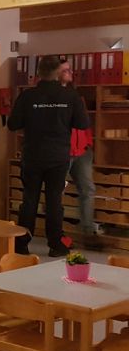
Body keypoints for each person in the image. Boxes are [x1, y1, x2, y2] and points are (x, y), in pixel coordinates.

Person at [8, 54, 90, 256]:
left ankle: (21, 244)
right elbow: (82, 124)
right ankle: (55, 244)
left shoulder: (27, 96)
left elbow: (13, 124)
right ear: (57, 72)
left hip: (32, 155)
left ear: (38, 72)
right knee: (54, 202)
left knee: (29, 200)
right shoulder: (70, 96)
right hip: (58, 157)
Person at [59, 59, 103, 249]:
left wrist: (88, 143)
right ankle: (58, 235)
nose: (70, 73)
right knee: (56, 192)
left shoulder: (76, 96)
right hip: (63, 152)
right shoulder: (53, 98)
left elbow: (84, 124)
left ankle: (88, 232)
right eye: (65, 70)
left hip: (82, 151)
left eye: (70, 69)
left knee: (87, 189)